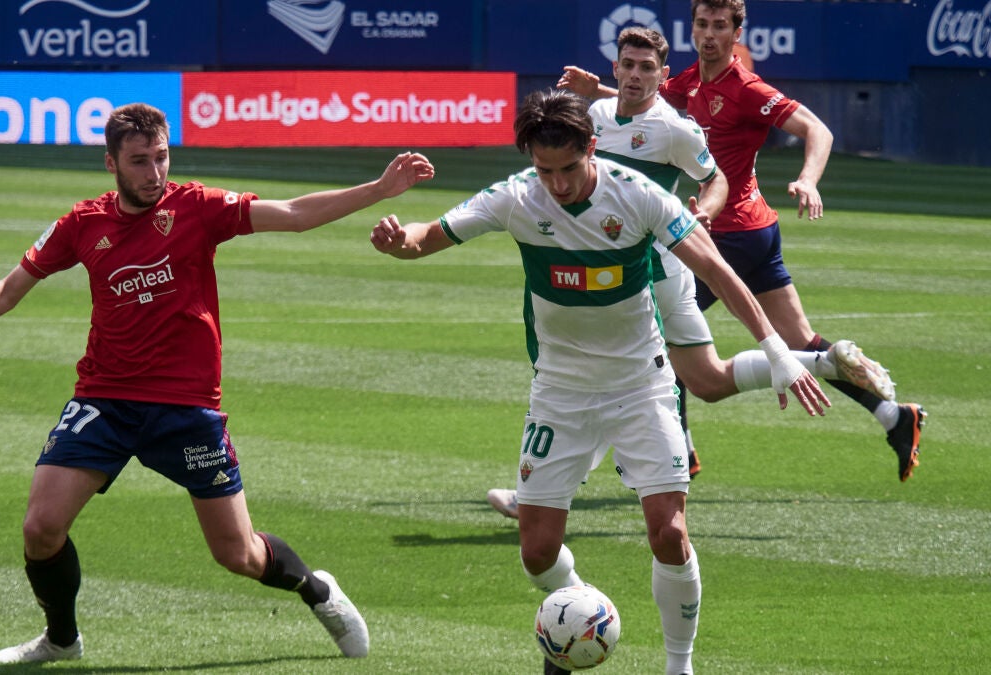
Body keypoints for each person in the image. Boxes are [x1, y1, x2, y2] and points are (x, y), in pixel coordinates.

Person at [0, 102, 435, 664]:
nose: (154, 172)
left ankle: (316, 589)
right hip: (105, 400)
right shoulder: (82, 223)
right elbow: (10, 287)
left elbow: (293, 213)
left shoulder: (196, 207)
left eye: (161, 157)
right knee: (41, 527)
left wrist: (380, 189)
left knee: (237, 554)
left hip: (185, 408)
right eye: (139, 161)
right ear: (111, 163)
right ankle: (61, 639)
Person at [371, 89, 826, 675]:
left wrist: (776, 350)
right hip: (560, 392)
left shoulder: (637, 195)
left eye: (567, 168)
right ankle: (577, 610)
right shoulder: (516, 196)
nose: (557, 184)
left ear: (591, 147)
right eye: (545, 171)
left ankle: (679, 666)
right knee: (536, 553)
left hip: (641, 385)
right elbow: (427, 236)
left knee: (669, 534)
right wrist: (398, 242)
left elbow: (715, 268)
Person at [484, 27, 894, 520]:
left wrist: (704, 214)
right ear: (615, 68)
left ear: (663, 75)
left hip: (652, 275)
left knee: (603, 375)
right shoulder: (591, 119)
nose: (635, 75)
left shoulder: (675, 129)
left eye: (646, 68)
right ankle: (826, 362)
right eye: (628, 65)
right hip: (616, 270)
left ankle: (539, 494)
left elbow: (715, 179)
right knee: (708, 381)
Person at [559, 0, 926, 483]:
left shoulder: (747, 89)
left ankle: (677, 452)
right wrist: (597, 91)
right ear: (692, 29)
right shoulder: (687, 81)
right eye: (702, 24)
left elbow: (817, 130)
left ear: (737, 34)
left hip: (726, 233)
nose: (709, 34)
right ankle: (894, 416)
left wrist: (808, 179)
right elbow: (645, 111)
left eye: (720, 26)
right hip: (755, 230)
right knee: (799, 340)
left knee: (662, 341)